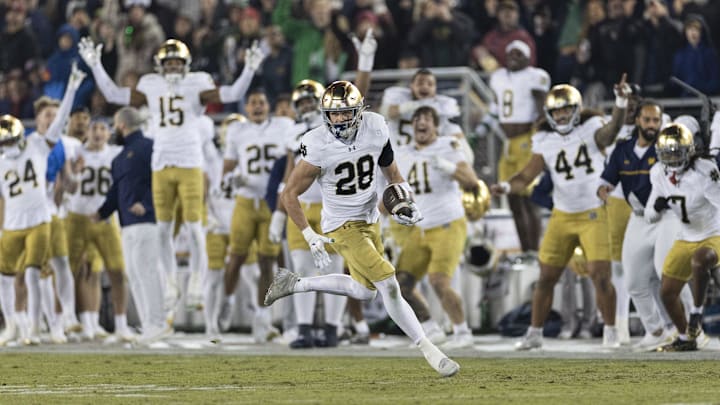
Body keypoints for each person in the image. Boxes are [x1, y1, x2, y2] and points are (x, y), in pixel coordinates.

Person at [265, 81, 459, 377]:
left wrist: (406, 200)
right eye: (334, 114)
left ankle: (295, 284)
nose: (339, 120)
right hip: (342, 225)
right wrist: (309, 233)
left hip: (371, 218)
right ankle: (431, 351)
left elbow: (392, 174)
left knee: (364, 291)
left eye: (345, 113)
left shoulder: (376, 127)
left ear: (359, 111)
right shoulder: (316, 143)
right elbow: (289, 193)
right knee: (388, 283)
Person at [79, 37, 266, 320]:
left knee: (194, 228)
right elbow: (115, 95)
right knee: (163, 230)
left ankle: (195, 285)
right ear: (160, 66)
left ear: (186, 65)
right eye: (169, 63)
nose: (174, 67)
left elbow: (231, 93)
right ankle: (169, 285)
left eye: (178, 62)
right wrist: (95, 65)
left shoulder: (197, 83)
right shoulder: (151, 85)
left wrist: (249, 70)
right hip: (161, 163)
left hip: (190, 162)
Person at [491, 77, 631, 350]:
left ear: (576, 109)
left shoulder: (592, 127)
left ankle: (612, 330)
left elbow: (611, 132)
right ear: (549, 114)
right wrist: (506, 186)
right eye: (556, 111)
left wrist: (621, 103)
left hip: (594, 212)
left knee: (600, 275)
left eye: (566, 109)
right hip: (562, 214)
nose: (562, 115)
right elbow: (527, 174)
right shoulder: (543, 139)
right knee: (545, 278)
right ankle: (534, 333)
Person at [0, 67, 84, 346]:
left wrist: (71, 88)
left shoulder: (38, 144)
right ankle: (13, 323)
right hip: (13, 224)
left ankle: (39, 326)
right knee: (8, 277)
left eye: (11, 140)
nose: (9, 146)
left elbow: (59, 123)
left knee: (38, 273)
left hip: (40, 219)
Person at [267, 80, 348, 349]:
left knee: (334, 269)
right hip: (300, 207)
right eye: (301, 103)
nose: (306, 107)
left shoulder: (337, 125)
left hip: (330, 207)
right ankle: (304, 328)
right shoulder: (293, 131)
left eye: (310, 101)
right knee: (302, 270)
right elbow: (290, 174)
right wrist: (280, 212)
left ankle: (333, 329)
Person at [597, 101, 685, 350]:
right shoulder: (623, 149)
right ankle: (656, 330)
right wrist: (603, 189)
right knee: (633, 280)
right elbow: (608, 180)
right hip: (638, 216)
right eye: (647, 120)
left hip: (666, 216)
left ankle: (688, 328)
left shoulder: (666, 148)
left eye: (656, 121)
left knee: (667, 273)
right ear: (638, 121)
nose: (651, 125)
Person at [395, 106, 479, 349]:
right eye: (417, 118)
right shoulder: (404, 152)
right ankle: (431, 328)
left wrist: (450, 168)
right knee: (401, 283)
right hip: (420, 228)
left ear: (435, 125)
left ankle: (463, 331)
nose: (422, 123)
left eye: (427, 119)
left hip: (447, 224)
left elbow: (472, 181)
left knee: (439, 282)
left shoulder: (447, 145)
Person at [221, 89, 295, 343]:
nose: (257, 107)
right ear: (246, 108)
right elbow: (227, 169)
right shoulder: (237, 131)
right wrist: (231, 179)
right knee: (236, 256)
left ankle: (263, 318)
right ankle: (227, 301)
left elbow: (291, 159)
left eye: (262, 102)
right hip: (244, 200)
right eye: (252, 103)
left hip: (270, 202)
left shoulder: (284, 126)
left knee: (267, 261)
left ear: (268, 106)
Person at [93, 106, 169, 344]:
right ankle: (148, 325)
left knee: (147, 270)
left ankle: (157, 322)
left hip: (147, 219)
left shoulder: (150, 147)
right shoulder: (119, 158)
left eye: (115, 125)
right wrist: (102, 212)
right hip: (126, 223)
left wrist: (147, 204)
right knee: (135, 274)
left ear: (122, 125)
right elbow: (117, 191)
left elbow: (163, 178)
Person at [646, 123, 720, 351]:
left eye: (676, 152)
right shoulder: (658, 172)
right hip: (686, 236)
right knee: (667, 292)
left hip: (714, 233)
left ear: (689, 150)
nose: (672, 157)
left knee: (699, 261)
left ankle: (696, 314)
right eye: (667, 153)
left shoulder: (703, 171)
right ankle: (686, 337)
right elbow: (649, 215)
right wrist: (656, 209)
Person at [65, 119, 134, 342]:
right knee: (71, 271)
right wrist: (74, 172)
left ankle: (121, 324)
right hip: (77, 217)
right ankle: (76, 323)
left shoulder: (117, 152)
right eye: (93, 128)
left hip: (105, 218)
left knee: (117, 271)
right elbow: (66, 183)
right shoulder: (74, 151)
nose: (97, 132)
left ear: (109, 132)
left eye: (102, 128)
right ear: (86, 131)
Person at [485, 39, 550, 258]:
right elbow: (496, 108)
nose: (512, 56)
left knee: (528, 197)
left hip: (527, 139)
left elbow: (542, 110)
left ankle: (534, 249)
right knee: (511, 195)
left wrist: (541, 138)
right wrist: (482, 129)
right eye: (510, 52)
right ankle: (525, 249)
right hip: (508, 142)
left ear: (528, 57)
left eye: (518, 53)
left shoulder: (536, 76)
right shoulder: (499, 77)